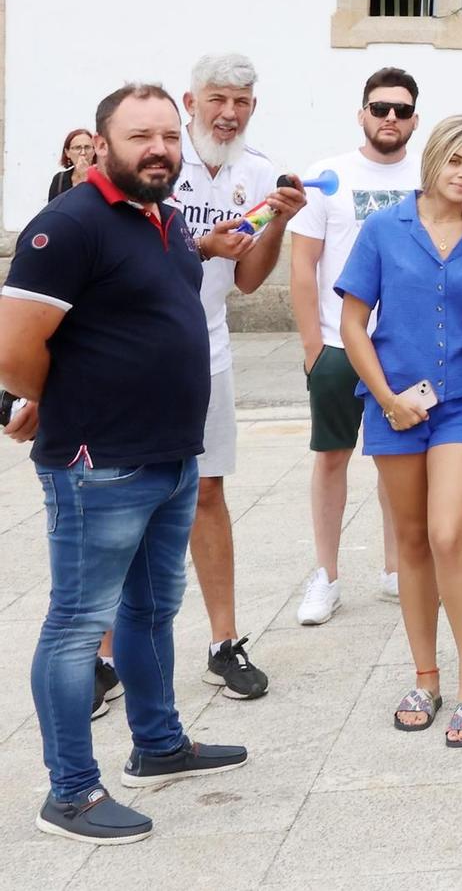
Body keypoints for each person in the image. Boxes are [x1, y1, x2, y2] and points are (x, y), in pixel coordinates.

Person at [1, 83, 248, 844]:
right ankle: (70, 794)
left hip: (171, 455)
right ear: (102, 142)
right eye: (141, 136)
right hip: (98, 463)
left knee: (149, 610)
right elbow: (12, 347)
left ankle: (159, 744)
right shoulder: (67, 225)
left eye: (170, 136)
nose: (160, 149)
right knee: (79, 626)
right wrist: (60, 402)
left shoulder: (164, 219)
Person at [338, 116, 462, 747]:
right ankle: (426, 677)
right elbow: (353, 322)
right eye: (458, 162)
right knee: (410, 541)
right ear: (433, 160)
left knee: (447, 534)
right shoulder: (385, 227)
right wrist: (386, 398)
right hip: (393, 405)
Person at [178, 53, 305, 703]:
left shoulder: (257, 174)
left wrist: (277, 219)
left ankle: (223, 642)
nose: (228, 114)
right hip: (133, 357)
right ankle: (103, 653)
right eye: (217, 99)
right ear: (189, 100)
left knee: (206, 494)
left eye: (241, 103)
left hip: (207, 353)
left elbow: (249, 282)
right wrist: (199, 246)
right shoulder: (157, 165)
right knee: (127, 502)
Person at [287, 67, 420, 626]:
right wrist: (313, 347)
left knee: (399, 458)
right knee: (332, 456)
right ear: (362, 113)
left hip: (405, 343)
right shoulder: (327, 175)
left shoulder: (428, 172)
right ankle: (327, 575)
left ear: (415, 118)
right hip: (340, 342)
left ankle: (397, 570)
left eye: (402, 109)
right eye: (380, 107)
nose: (390, 117)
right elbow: (303, 264)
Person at [48, 128, 95, 200]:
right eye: (77, 148)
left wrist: (85, 177)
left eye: (87, 147)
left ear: (94, 151)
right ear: (67, 152)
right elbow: (52, 209)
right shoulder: (59, 180)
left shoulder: (105, 178)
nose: (83, 153)